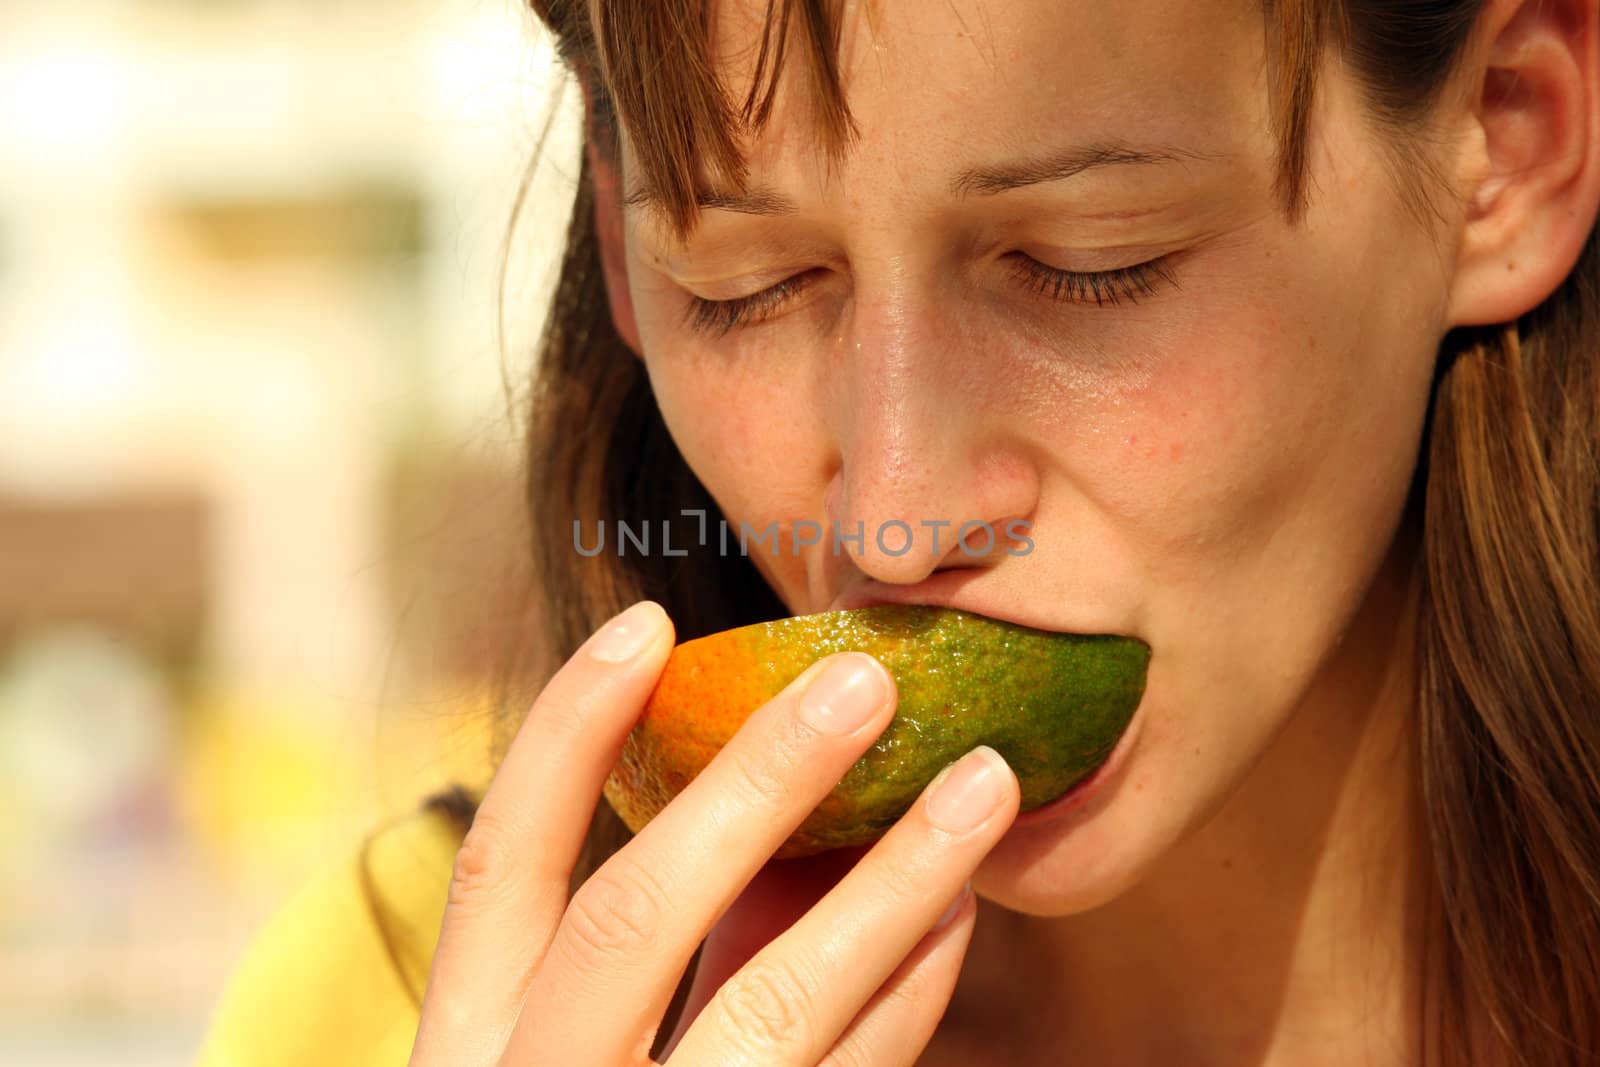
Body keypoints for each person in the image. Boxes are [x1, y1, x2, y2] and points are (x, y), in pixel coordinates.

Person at [196, 0, 1600, 1063]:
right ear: (621, 252)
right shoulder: (405, 1000)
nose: (889, 517)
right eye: (745, 283)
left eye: (1089, 265)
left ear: (1507, 140)